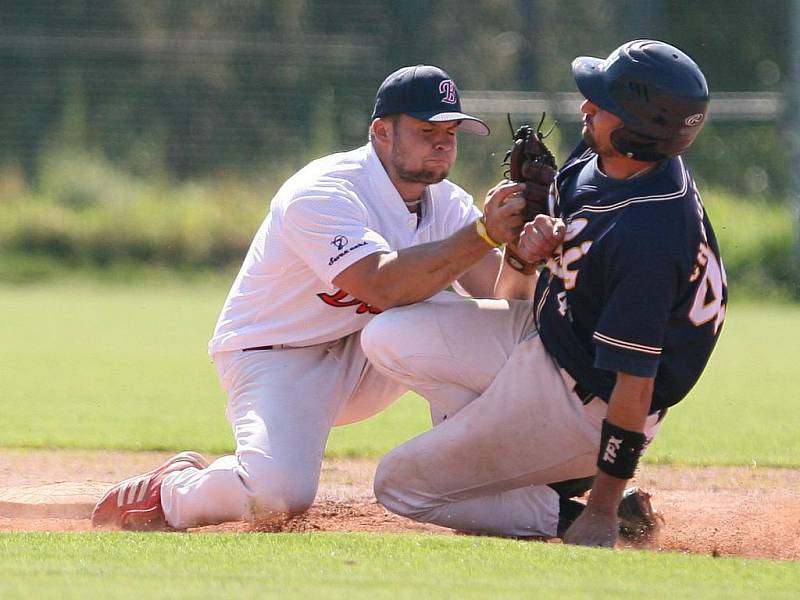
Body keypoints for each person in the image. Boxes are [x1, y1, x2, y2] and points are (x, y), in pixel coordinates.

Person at [91, 64, 532, 530]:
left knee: (462, 322)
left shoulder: (448, 202)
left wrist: (523, 258)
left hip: (369, 354)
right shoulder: (324, 191)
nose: (443, 143)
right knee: (277, 496)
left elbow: (503, 310)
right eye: (426, 131)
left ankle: (477, 476)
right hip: (279, 354)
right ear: (382, 132)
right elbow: (380, 285)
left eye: (451, 131)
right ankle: (172, 490)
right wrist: (484, 233)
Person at [360, 40, 727, 547]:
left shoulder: (650, 234)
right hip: (551, 338)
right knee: (386, 335)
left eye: (603, 103)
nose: (586, 106)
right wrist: (524, 253)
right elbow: (521, 292)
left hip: (590, 404)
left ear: (638, 129)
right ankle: (534, 470)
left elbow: (635, 388)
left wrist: (600, 507)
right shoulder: (609, 159)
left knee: (399, 485)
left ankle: (588, 512)